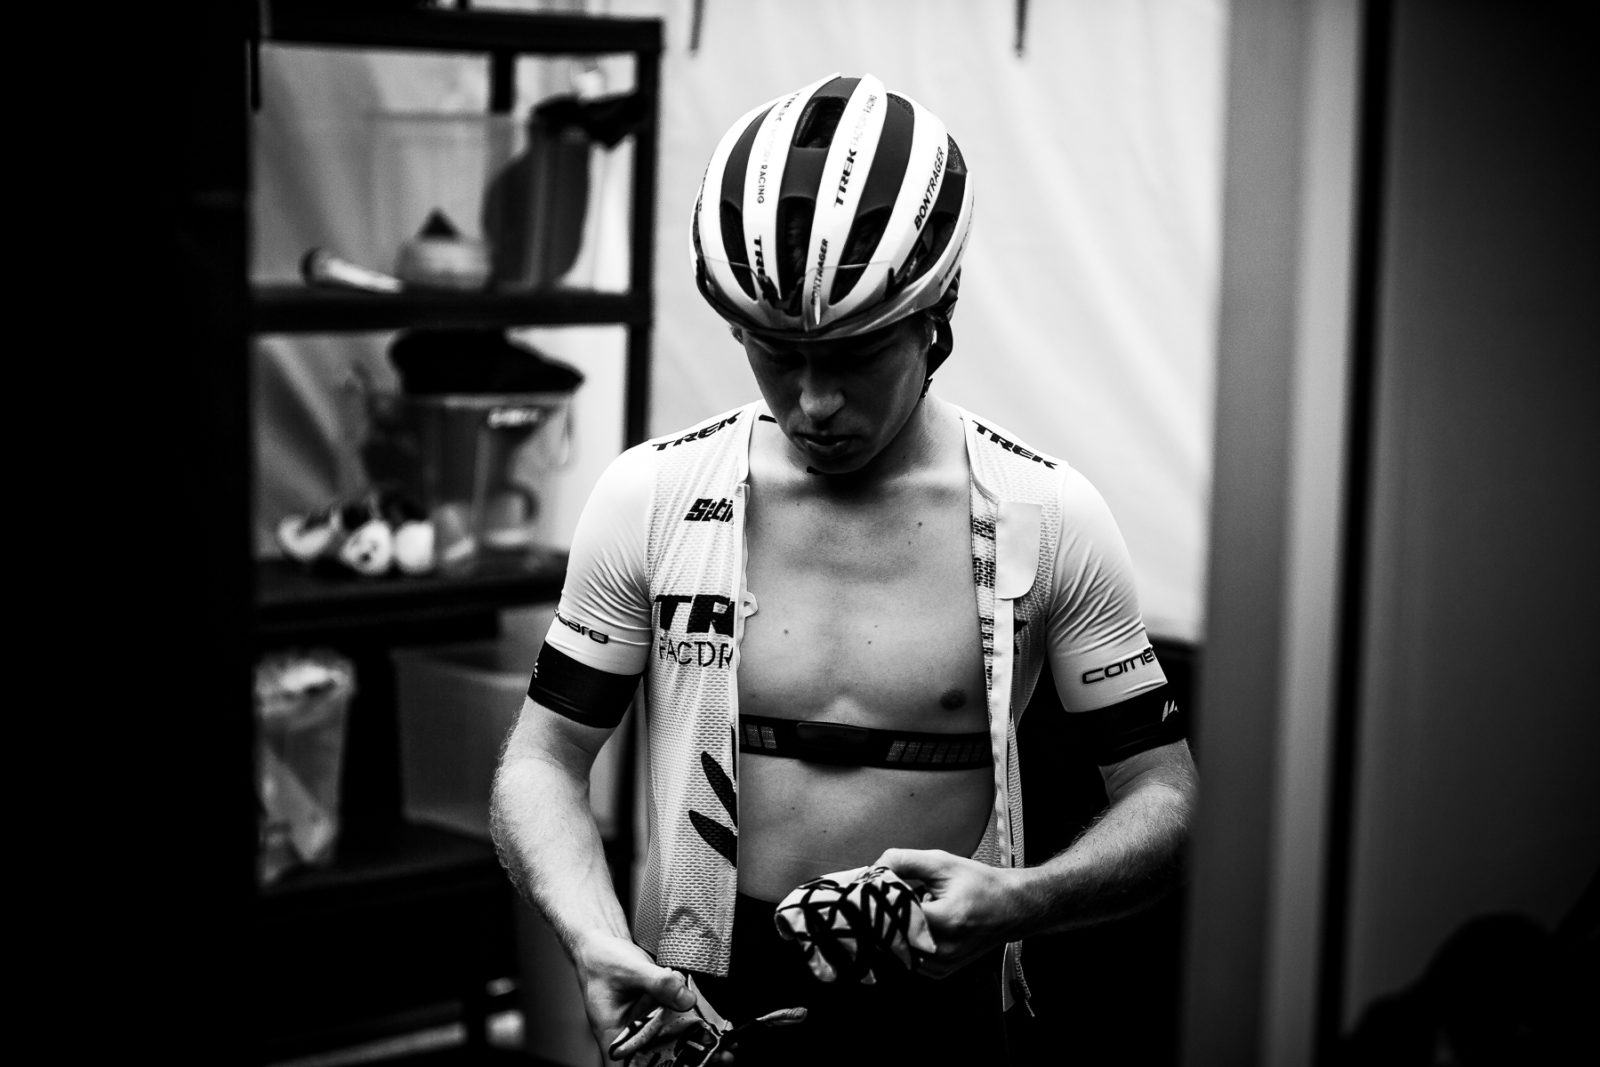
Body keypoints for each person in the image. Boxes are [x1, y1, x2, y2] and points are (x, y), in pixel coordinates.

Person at [490, 72, 1197, 1066]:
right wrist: (594, 938)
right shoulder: (652, 495)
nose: (814, 401)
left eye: (855, 355)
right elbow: (542, 760)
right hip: (695, 1011)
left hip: (939, 1019)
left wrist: (1022, 898)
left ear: (934, 316)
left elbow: (1164, 793)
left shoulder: (1044, 515)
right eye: (777, 354)